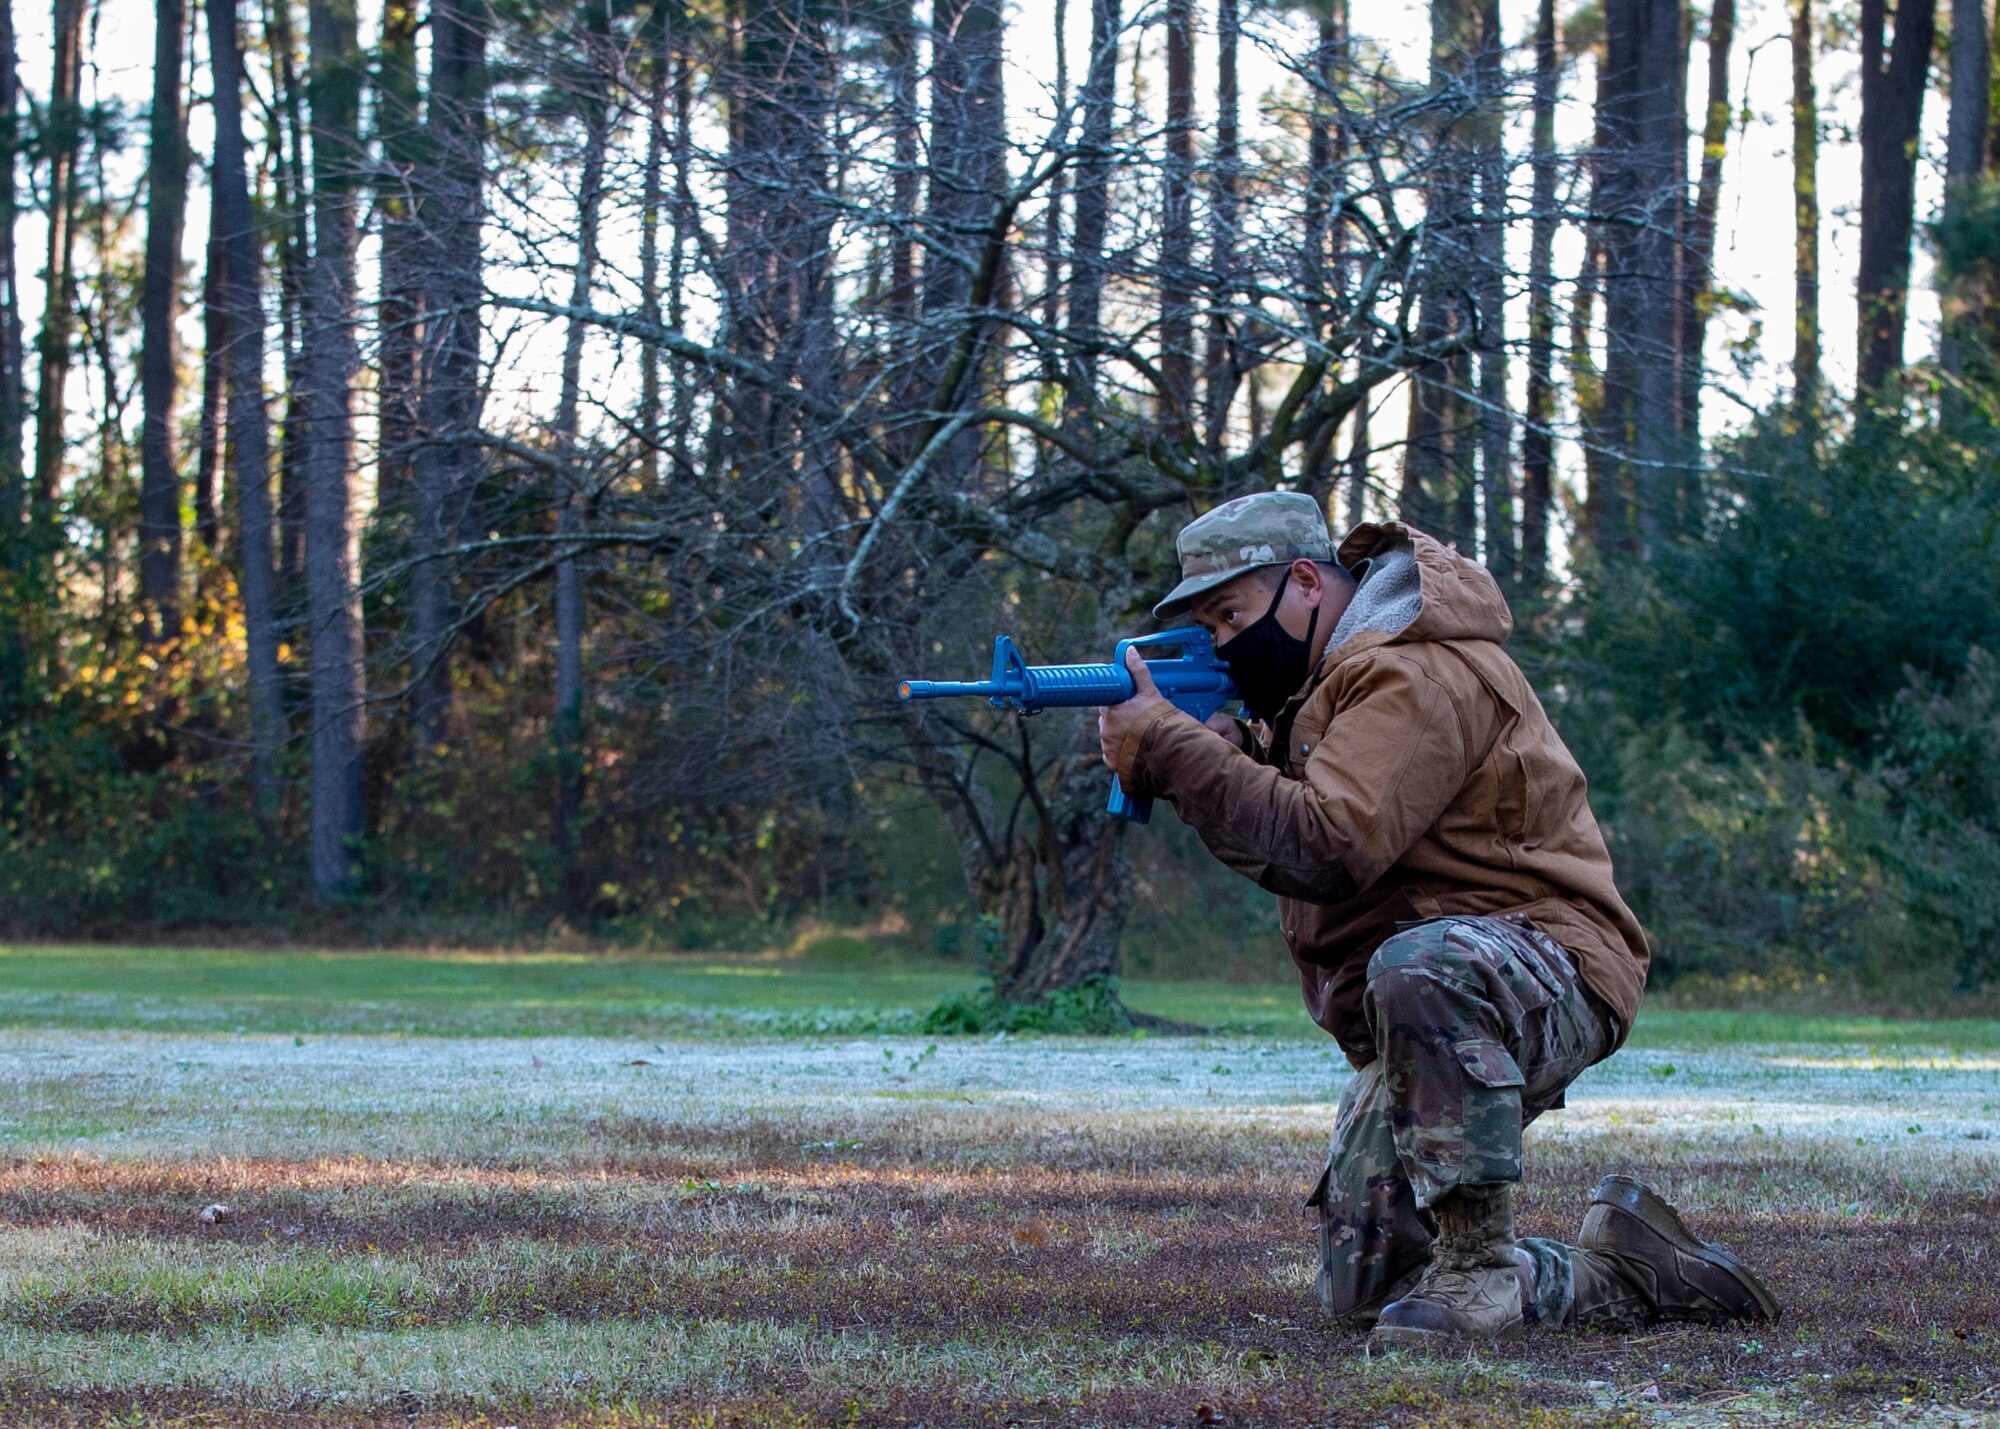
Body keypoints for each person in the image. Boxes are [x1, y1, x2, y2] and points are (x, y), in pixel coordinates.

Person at [1097, 491, 1779, 1349]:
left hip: (1550, 958)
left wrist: (1173, 750)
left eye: (1231, 615)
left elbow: (1330, 845)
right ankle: (1629, 1269)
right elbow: (1308, 829)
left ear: (1305, 582)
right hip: (1454, 976)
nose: (1225, 644)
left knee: (1422, 964)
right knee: (1368, 1287)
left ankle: (1481, 1266)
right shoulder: (1322, 690)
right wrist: (1221, 758)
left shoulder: (1409, 670)